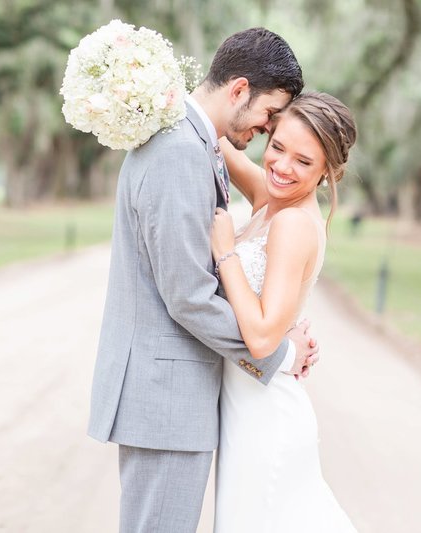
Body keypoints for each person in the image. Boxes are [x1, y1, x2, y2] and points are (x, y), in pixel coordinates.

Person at [87, 28, 320, 532]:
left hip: (174, 398)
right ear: (239, 90)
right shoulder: (178, 152)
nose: (266, 128)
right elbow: (189, 297)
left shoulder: (196, 141)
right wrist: (279, 353)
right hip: (165, 398)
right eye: (268, 113)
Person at [210, 91, 358, 532]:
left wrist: (225, 253)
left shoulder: (293, 223)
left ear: (327, 171)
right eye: (277, 147)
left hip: (265, 419)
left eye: (303, 161)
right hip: (244, 410)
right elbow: (210, 134)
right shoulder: (272, 200)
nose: (281, 167)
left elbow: (260, 339)